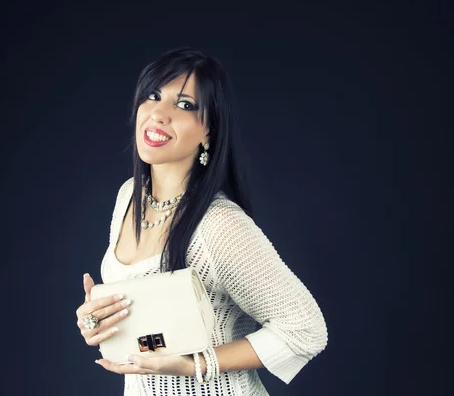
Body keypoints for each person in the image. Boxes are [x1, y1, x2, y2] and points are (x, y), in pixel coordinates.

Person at [76, 47, 328, 395]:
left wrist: (198, 363)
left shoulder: (219, 226)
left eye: (184, 105)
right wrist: (97, 323)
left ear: (209, 132)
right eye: (153, 96)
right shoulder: (129, 196)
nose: (159, 114)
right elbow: (149, 323)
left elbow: (306, 329)